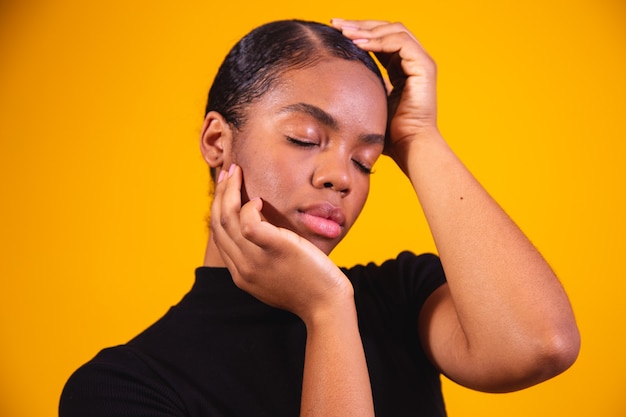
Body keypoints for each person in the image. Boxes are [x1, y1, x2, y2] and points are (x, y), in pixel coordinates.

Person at [59, 19, 580, 417]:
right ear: (218, 142)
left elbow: (541, 346)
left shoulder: (401, 299)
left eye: (366, 160)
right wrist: (326, 315)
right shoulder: (121, 387)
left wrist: (418, 137)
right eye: (305, 138)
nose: (342, 177)